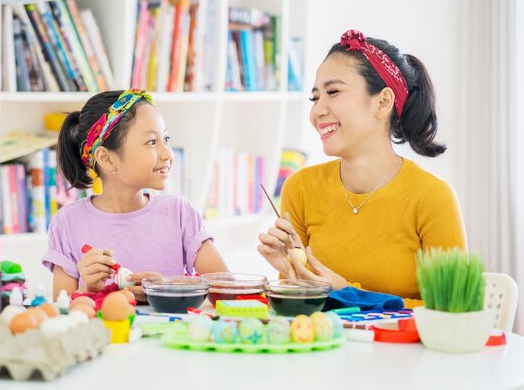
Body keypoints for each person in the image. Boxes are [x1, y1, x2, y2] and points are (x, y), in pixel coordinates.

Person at [257, 30, 466, 307]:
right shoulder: (301, 188)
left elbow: (455, 311)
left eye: (333, 92)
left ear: (383, 102)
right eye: (315, 98)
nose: (317, 111)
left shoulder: (431, 197)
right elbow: (301, 310)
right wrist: (291, 274)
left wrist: (346, 292)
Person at [43, 89, 228, 301]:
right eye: (152, 142)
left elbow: (226, 292)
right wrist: (90, 289)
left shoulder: (180, 214)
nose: (167, 153)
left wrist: (164, 288)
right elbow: (62, 312)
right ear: (106, 158)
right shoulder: (68, 222)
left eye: (166, 138)